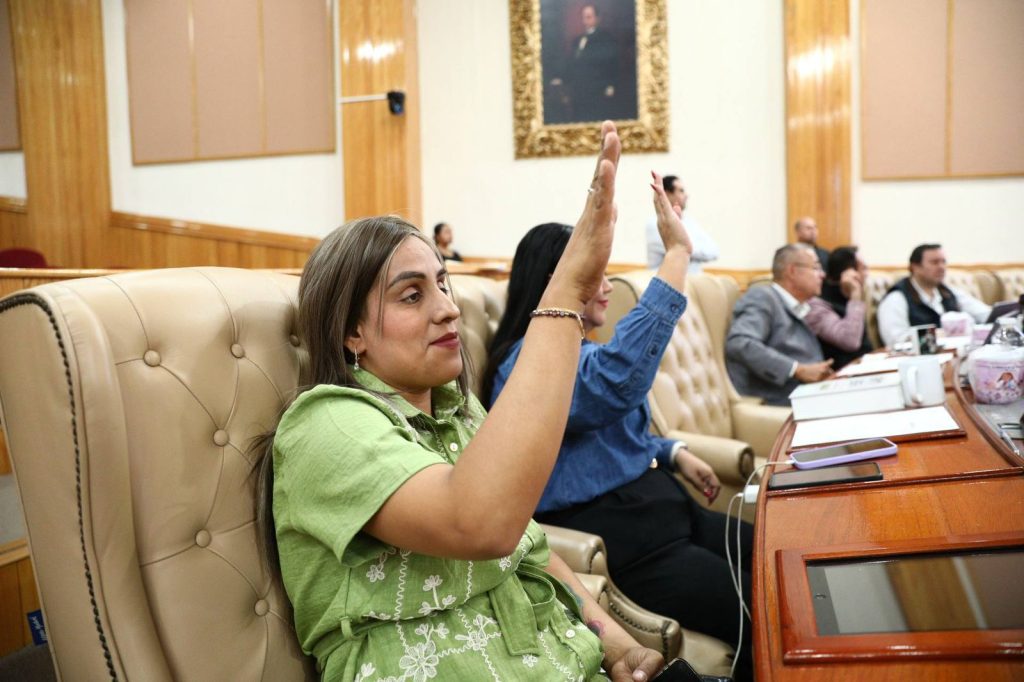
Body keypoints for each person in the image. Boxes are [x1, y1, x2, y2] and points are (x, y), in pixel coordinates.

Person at [253, 123, 668, 681]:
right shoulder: (326, 424)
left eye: (442, 284)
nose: (448, 308)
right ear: (352, 332)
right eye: (411, 295)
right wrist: (565, 293)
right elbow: (479, 523)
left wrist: (617, 645)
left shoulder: (458, 409)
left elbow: (527, 546)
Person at [486, 172, 755, 682]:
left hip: (671, 511)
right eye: (596, 273)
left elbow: (606, 428)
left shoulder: (578, 350)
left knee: (775, 558)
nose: (608, 286)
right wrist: (677, 254)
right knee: (758, 608)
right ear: (557, 281)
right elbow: (615, 383)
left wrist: (671, 451)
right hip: (635, 544)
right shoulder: (527, 364)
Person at [725, 244, 835, 406]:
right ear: (792, 271)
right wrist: (797, 370)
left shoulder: (796, 305)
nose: (822, 275)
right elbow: (740, 343)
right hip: (779, 401)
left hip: (809, 394)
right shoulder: (763, 297)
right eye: (816, 268)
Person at [876, 243, 991, 348]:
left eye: (943, 262)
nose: (941, 267)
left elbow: (986, 314)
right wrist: (939, 334)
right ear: (915, 267)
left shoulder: (948, 292)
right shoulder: (896, 298)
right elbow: (896, 340)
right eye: (934, 262)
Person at [804, 245, 873, 370]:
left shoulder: (848, 295)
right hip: (841, 372)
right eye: (863, 269)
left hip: (865, 365)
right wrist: (855, 297)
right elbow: (850, 342)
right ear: (850, 274)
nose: (867, 274)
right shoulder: (817, 303)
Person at [645, 175, 720, 273]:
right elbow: (679, 249)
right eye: (681, 191)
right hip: (666, 280)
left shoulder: (690, 222)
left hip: (692, 280)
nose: (686, 195)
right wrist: (692, 249)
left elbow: (714, 251)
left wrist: (689, 249)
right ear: (667, 194)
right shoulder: (655, 223)